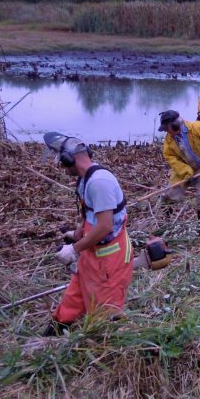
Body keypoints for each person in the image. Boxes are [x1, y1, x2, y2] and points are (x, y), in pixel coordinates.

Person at [42, 132, 133, 335]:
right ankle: (48, 342)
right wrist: (76, 234)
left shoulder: (99, 183)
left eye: (60, 161)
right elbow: (90, 217)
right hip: (92, 255)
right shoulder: (85, 180)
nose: (60, 166)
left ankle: (109, 355)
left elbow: (104, 227)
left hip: (109, 260)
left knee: (105, 317)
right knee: (72, 300)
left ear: (69, 159)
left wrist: (74, 249)